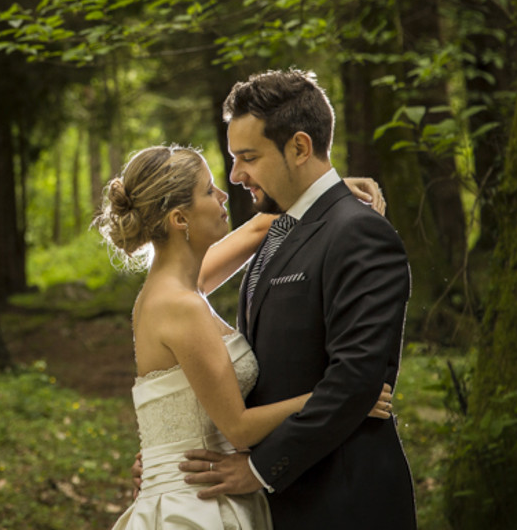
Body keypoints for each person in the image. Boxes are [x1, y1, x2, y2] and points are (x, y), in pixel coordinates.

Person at [96, 144, 394, 530]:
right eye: (209, 190)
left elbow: (260, 226)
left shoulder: (181, 286)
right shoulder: (179, 305)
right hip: (195, 504)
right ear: (179, 218)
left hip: (206, 488)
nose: (223, 195)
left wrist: (328, 194)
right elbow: (237, 427)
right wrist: (347, 398)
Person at [176, 69, 417, 530]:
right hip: (285, 505)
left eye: (248, 157)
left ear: (300, 148)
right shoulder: (280, 228)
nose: (235, 175)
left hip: (344, 500)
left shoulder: (360, 232)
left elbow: (356, 378)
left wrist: (259, 469)